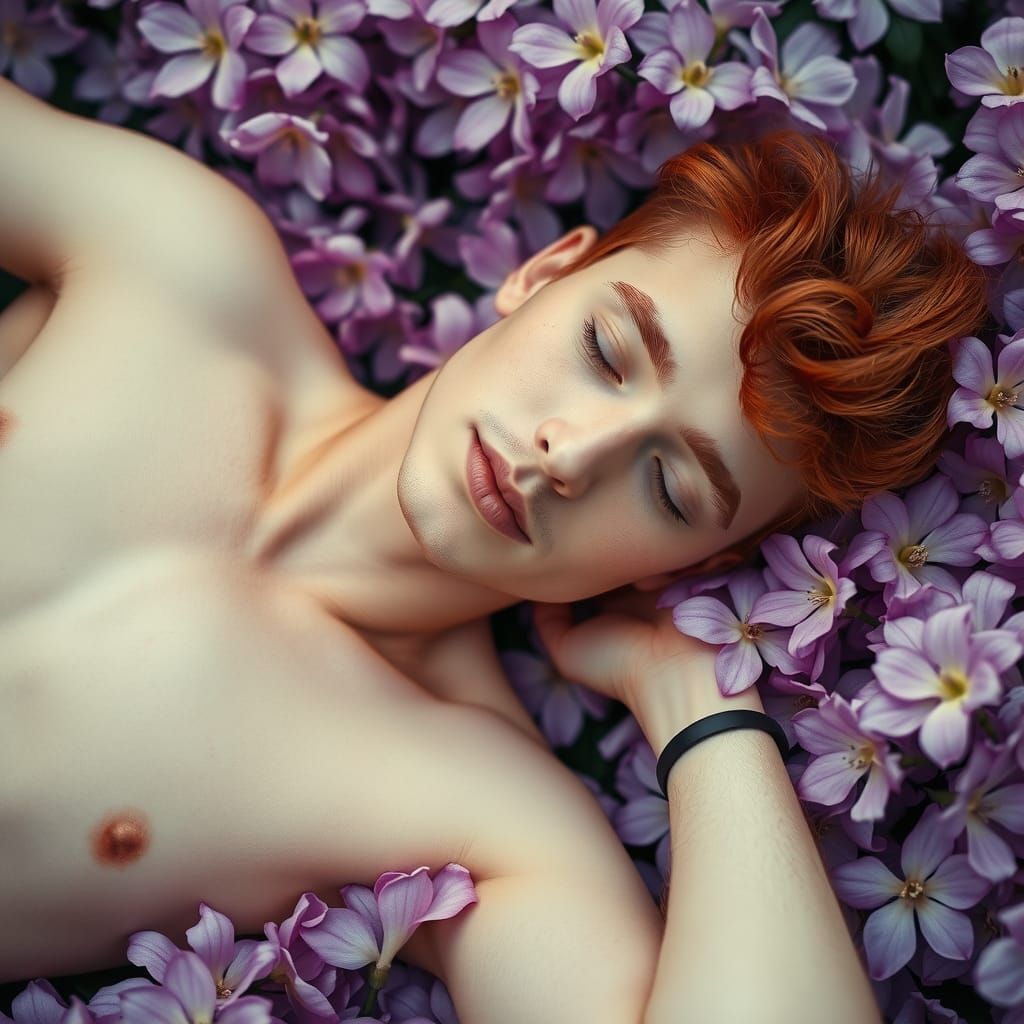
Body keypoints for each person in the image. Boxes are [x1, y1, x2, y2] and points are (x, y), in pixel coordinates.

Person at [0, 73, 988, 1023]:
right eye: (606, 350)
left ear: (677, 570)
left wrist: (700, 704)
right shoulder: (182, 268)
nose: (572, 453)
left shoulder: (476, 811)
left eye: (669, 486)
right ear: (543, 272)